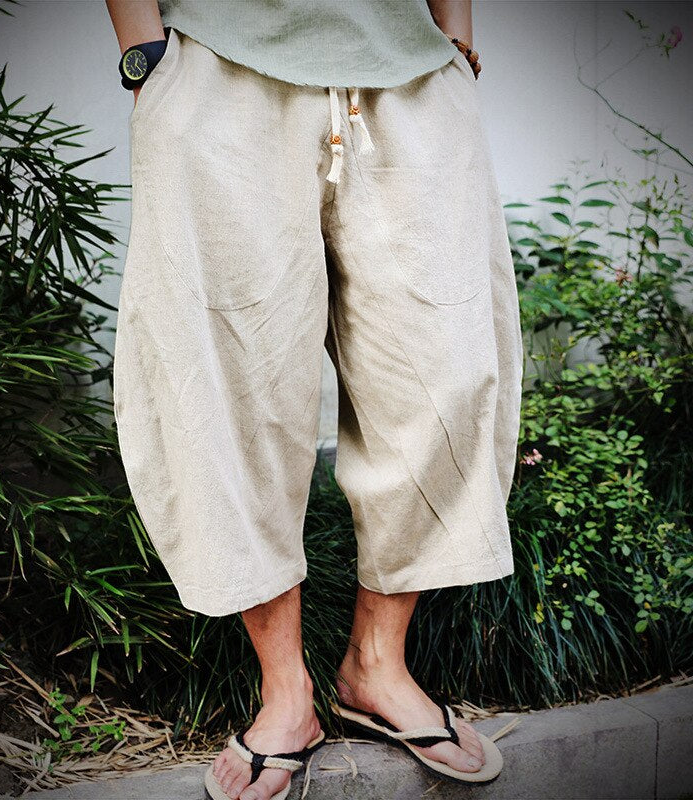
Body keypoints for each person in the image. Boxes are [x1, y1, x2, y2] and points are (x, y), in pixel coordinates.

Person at [106, 1, 523, 798]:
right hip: (219, 66)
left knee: (443, 370)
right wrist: (143, 55)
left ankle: (376, 665)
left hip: (410, 71)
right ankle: (285, 692)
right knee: (232, 384)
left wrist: (457, 37)